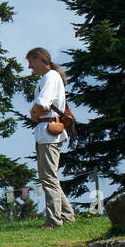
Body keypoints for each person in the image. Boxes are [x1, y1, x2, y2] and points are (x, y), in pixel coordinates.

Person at [26, 47, 77, 228]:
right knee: (49, 177)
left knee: (48, 178)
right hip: (45, 131)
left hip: (48, 130)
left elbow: (42, 103)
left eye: (31, 62)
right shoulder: (49, 77)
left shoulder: (50, 77)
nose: (30, 67)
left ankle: (54, 220)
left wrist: (33, 112)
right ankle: (67, 215)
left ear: (40, 59)